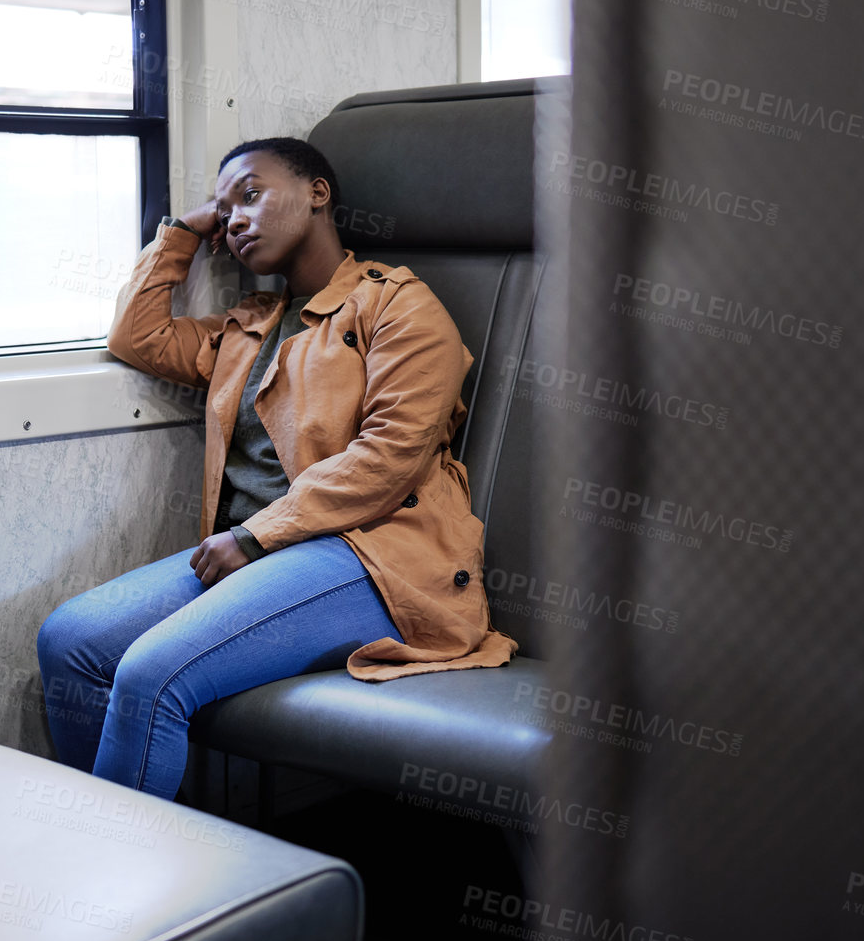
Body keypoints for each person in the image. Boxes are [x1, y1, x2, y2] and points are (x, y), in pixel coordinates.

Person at [36, 137, 516, 800]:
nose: (233, 219)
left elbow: (391, 456)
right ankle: (124, 859)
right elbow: (136, 336)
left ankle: (127, 888)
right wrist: (181, 232)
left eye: (251, 195)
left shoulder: (396, 305)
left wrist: (256, 535)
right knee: (71, 640)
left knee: (149, 673)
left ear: (318, 192)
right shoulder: (248, 327)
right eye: (223, 209)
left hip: (367, 554)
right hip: (261, 558)